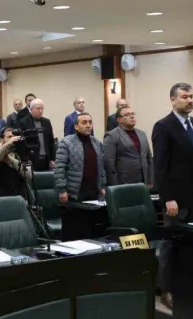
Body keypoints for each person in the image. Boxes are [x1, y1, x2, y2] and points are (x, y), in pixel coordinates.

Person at [152, 83, 193, 310]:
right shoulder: (163, 126)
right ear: (173, 99)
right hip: (176, 199)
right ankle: (165, 290)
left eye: (191, 97)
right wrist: (168, 198)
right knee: (171, 245)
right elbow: (160, 167)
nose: (189, 100)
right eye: (184, 97)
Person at [55, 112, 107, 240]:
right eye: (84, 123)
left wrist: (103, 186)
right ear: (76, 126)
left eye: (90, 122)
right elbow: (60, 168)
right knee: (75, 231)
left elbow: (101, 167)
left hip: (93, 193)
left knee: (93, 231)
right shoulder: (66, 143)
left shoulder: (96, 143)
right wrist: (62, 190)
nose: (88, 125)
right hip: (74, 194)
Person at [103, 106, 153, 187]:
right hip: (123, 182)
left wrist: (150, 180)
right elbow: (108, 162)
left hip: (143, 181)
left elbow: (149, 158)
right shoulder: (112, 135)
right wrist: (114, 185)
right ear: (119, 120)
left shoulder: (142, 134)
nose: (132, 116)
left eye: (133, 114)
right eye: (127, 115)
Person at [0, 127, 27, 199]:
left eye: (14, 137)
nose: (13, 139)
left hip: (19, 197)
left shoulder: (20, 154)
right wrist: (8, 144)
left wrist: (12, 161)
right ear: (1, 140)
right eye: (9, 137)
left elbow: (29, 175)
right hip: (1, 198)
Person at [18, 99, 56, 171]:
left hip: (46, 159)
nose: (40, 111)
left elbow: (51, 141)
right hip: (31, 159)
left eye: (42, 109)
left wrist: (52, 159)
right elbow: (22, 144)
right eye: (38, 109)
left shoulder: (47, 122)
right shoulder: (24, 122)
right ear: (31, 109)